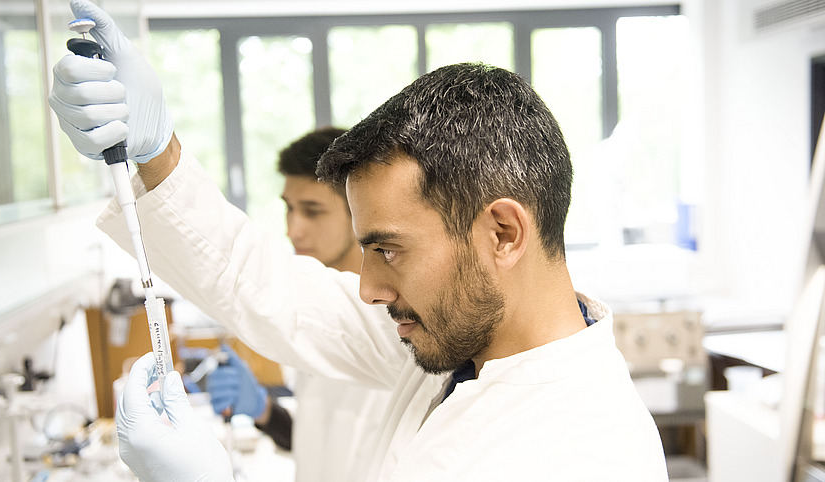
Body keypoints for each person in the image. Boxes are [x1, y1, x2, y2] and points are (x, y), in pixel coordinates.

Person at [50, 1, 669, 480]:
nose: (368, 289)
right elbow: (263, 282)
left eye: (389, 249)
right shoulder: (463, 340)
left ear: (502, 233)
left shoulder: (586, 451)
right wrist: (155, 149)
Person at [204, 128, 393, 480]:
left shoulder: (392, 324)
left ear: (362, 213)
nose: (294, 229)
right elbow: (317, 444)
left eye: (312, 211)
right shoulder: (313, 307)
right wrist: (265, 412)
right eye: (289, 209)